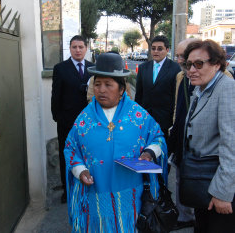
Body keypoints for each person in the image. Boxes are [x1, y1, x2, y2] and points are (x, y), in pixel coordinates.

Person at [64, 53, 168, 232]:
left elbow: (158, 137)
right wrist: (80, 171)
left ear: (121, 89)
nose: (101, 90)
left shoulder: (138, 115)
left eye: (108, 85)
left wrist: (149, 153)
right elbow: (71, 148)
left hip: (129, 191)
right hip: (95, 189)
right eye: (97, 84)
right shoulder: (84, 119)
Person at [181, 39, 235, 232]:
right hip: (202, 184)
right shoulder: (201, 89)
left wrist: (223, 193)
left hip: (218, 189)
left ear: (217, 64)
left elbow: (232, 147)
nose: (192, 70)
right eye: (189, 64)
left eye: (199, 64)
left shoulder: (227, 89)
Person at [51, 35, 93, 203]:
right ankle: (68, 190)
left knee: (87, 155)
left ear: (86, 48)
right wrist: (58, 117)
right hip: (67, 122)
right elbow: (56, 95)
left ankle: (87, 186)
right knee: (67, 156)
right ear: (70, 49)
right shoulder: (60, 68)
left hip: (89, 123)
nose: (77, 50)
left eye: (81, 47)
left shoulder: (93, 68)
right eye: (74, 47)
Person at [168, 38, 197, 230]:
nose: (178, 60)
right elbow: (178, 107)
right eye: (177, 55)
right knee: (180, 178)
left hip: (200, 142)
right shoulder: (181, 77)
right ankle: (185, 215)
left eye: (182, 55)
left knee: (198, 179)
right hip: (180, 137)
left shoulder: (223, 77)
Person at [135, 35, 181, 144]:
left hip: (165, 121)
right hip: (145, 119)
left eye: (160, 49)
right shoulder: (143, 68)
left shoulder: (175, 68)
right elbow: (139, 95)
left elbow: (176, 97)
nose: (156, 51)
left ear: (167, 50)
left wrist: (174, 121)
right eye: (153, 48)